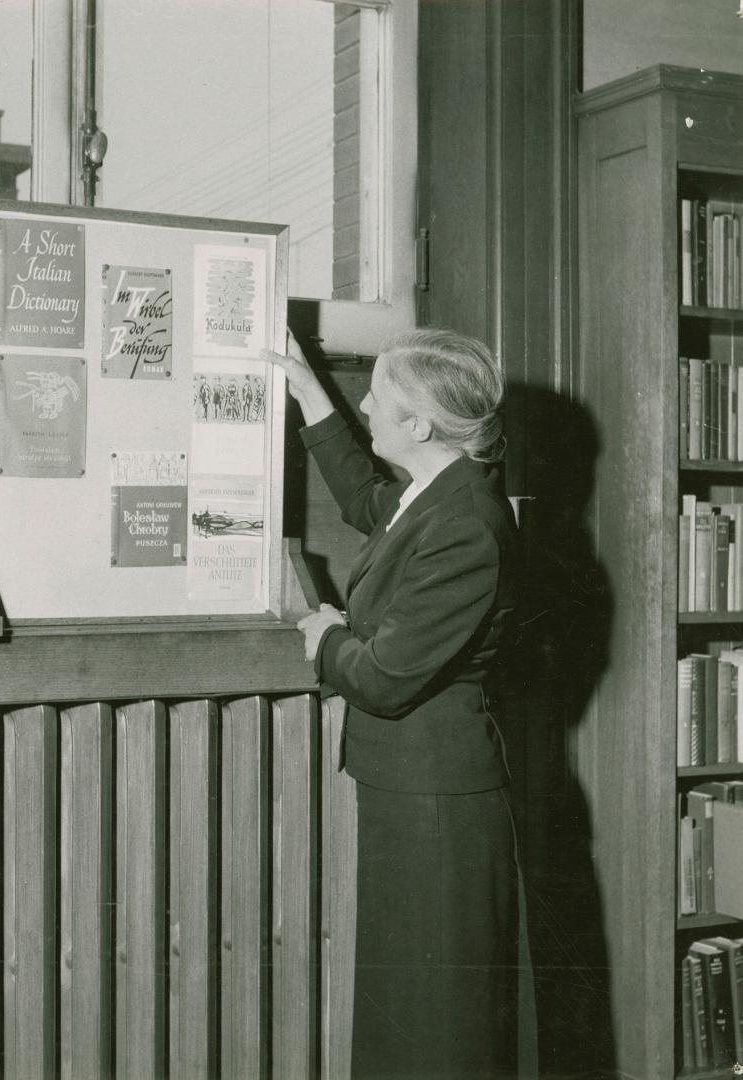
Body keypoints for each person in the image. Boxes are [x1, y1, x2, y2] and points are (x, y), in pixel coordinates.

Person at [260, 328, 522, 1080]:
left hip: (439, 805)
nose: (364, 403)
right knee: (410, 1016)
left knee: (439, 1028)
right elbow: (364, 499)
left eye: (378, 395)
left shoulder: (467, 525)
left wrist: (323, 633)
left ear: (420, 426)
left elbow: (382, 678)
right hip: (410, 791)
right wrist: (311, 391)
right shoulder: (435, 492)